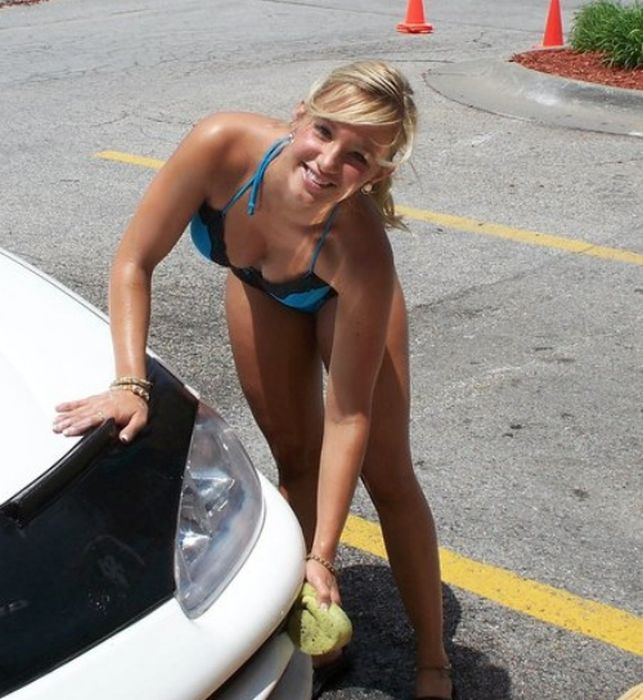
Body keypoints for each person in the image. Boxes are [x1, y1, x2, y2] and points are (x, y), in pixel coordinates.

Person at [53, 61, 455, 700]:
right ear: (299, 115)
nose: (328, 161)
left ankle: (434, 658)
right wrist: (130, 381)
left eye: (358, 157)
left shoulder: (364, 252)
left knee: (387, 472)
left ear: (379, 174)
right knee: (294, 458)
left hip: (340, 298)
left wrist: (324, 550)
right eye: (323, 131)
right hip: (260, 285)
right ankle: (308, 625)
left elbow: (349, 414)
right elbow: (134, 260)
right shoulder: (221, 144)